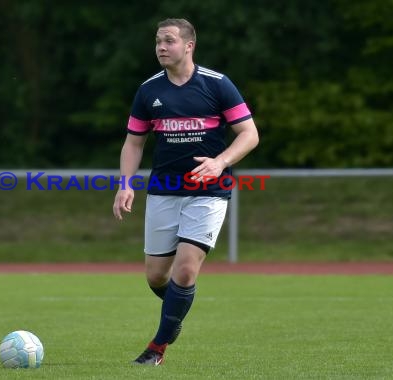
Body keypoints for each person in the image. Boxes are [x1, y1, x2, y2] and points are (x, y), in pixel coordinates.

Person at [112, 18, 259, 366]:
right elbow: (134, 144)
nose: (161, 47)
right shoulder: (149, 91)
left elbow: (249, 134)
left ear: (189, 45)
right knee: (156, 276)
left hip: (210, 191)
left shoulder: (217, 85)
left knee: (185, 271)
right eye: (158, 41)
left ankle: (156, 348)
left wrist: (220, 162)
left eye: (169, 41)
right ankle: (175, 313)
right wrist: (125, 184)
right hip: (163, 191)